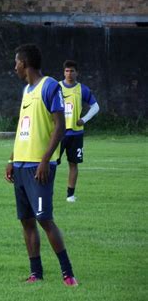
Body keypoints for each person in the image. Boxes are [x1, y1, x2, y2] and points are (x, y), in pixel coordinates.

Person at [5, 44, 77, 286]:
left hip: (39, 166)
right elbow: (23, 126)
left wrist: (46, 159)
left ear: (24, 63)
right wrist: (12, 159)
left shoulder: (50, 86)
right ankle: (36, 272)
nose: (14, 67)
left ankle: (68, 274)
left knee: (44, 219)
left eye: (16, 62)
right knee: (26, 221)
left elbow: (61, 126)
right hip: (21, 165)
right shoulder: (26, 90)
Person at [58, 60, 100, 202]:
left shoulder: (82, 89)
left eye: (72, 71)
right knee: (50, 164)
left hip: (76, 133)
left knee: (73, 164)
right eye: (67, 71)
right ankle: (46, 192)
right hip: (58, 133)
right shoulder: (55, 87)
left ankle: (70, 195)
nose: (69, 74)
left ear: (77, 72)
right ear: (63, 72)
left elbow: (95, 107)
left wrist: (84, 119)